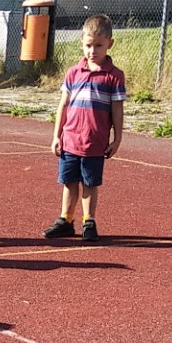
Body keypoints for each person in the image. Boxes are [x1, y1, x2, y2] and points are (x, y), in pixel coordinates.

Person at [45, 14, 125, 243]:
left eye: (98, 45)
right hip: (71, 140)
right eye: (88, 45)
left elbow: (117, 110)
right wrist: (56, 135)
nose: (92, 51)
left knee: (90, 183)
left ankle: (89, 221)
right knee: (69, 182)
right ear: (82, 43)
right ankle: (65, 220)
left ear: (110, 43)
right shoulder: (73, 73)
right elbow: (64, 105)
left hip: (94, 141)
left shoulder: (114, 76)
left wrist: (117, 139)